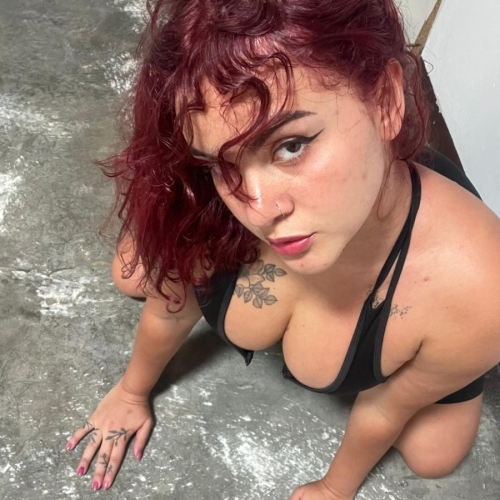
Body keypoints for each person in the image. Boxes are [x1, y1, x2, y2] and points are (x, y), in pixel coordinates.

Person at [66, 0, 500, 498]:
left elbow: (385, 408)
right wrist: (131, 391)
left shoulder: (486, 285)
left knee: (433, 453)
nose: (258, 210)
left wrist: (334, 489)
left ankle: (445, 347)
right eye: (219, 164)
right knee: (132, 273)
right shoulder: (217, 199)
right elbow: (171, 307)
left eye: (291, 145)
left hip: (435, 271)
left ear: (385, 101)